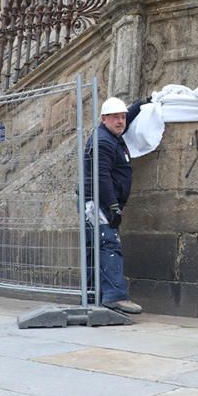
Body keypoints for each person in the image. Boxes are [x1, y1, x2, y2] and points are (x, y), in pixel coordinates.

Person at [83, 95, 147, 314]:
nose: (121, 121)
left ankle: (92, 294)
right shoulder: (103, 141)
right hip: (98, 202)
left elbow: (126, 118)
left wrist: (141, 104)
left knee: (95, 247)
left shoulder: (111, 134)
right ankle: (115, 296)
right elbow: (101, 176)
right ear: (103, 119)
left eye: (123, 117)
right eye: (115, 118)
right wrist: (112, 206)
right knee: (108, 245)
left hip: (99, 201)